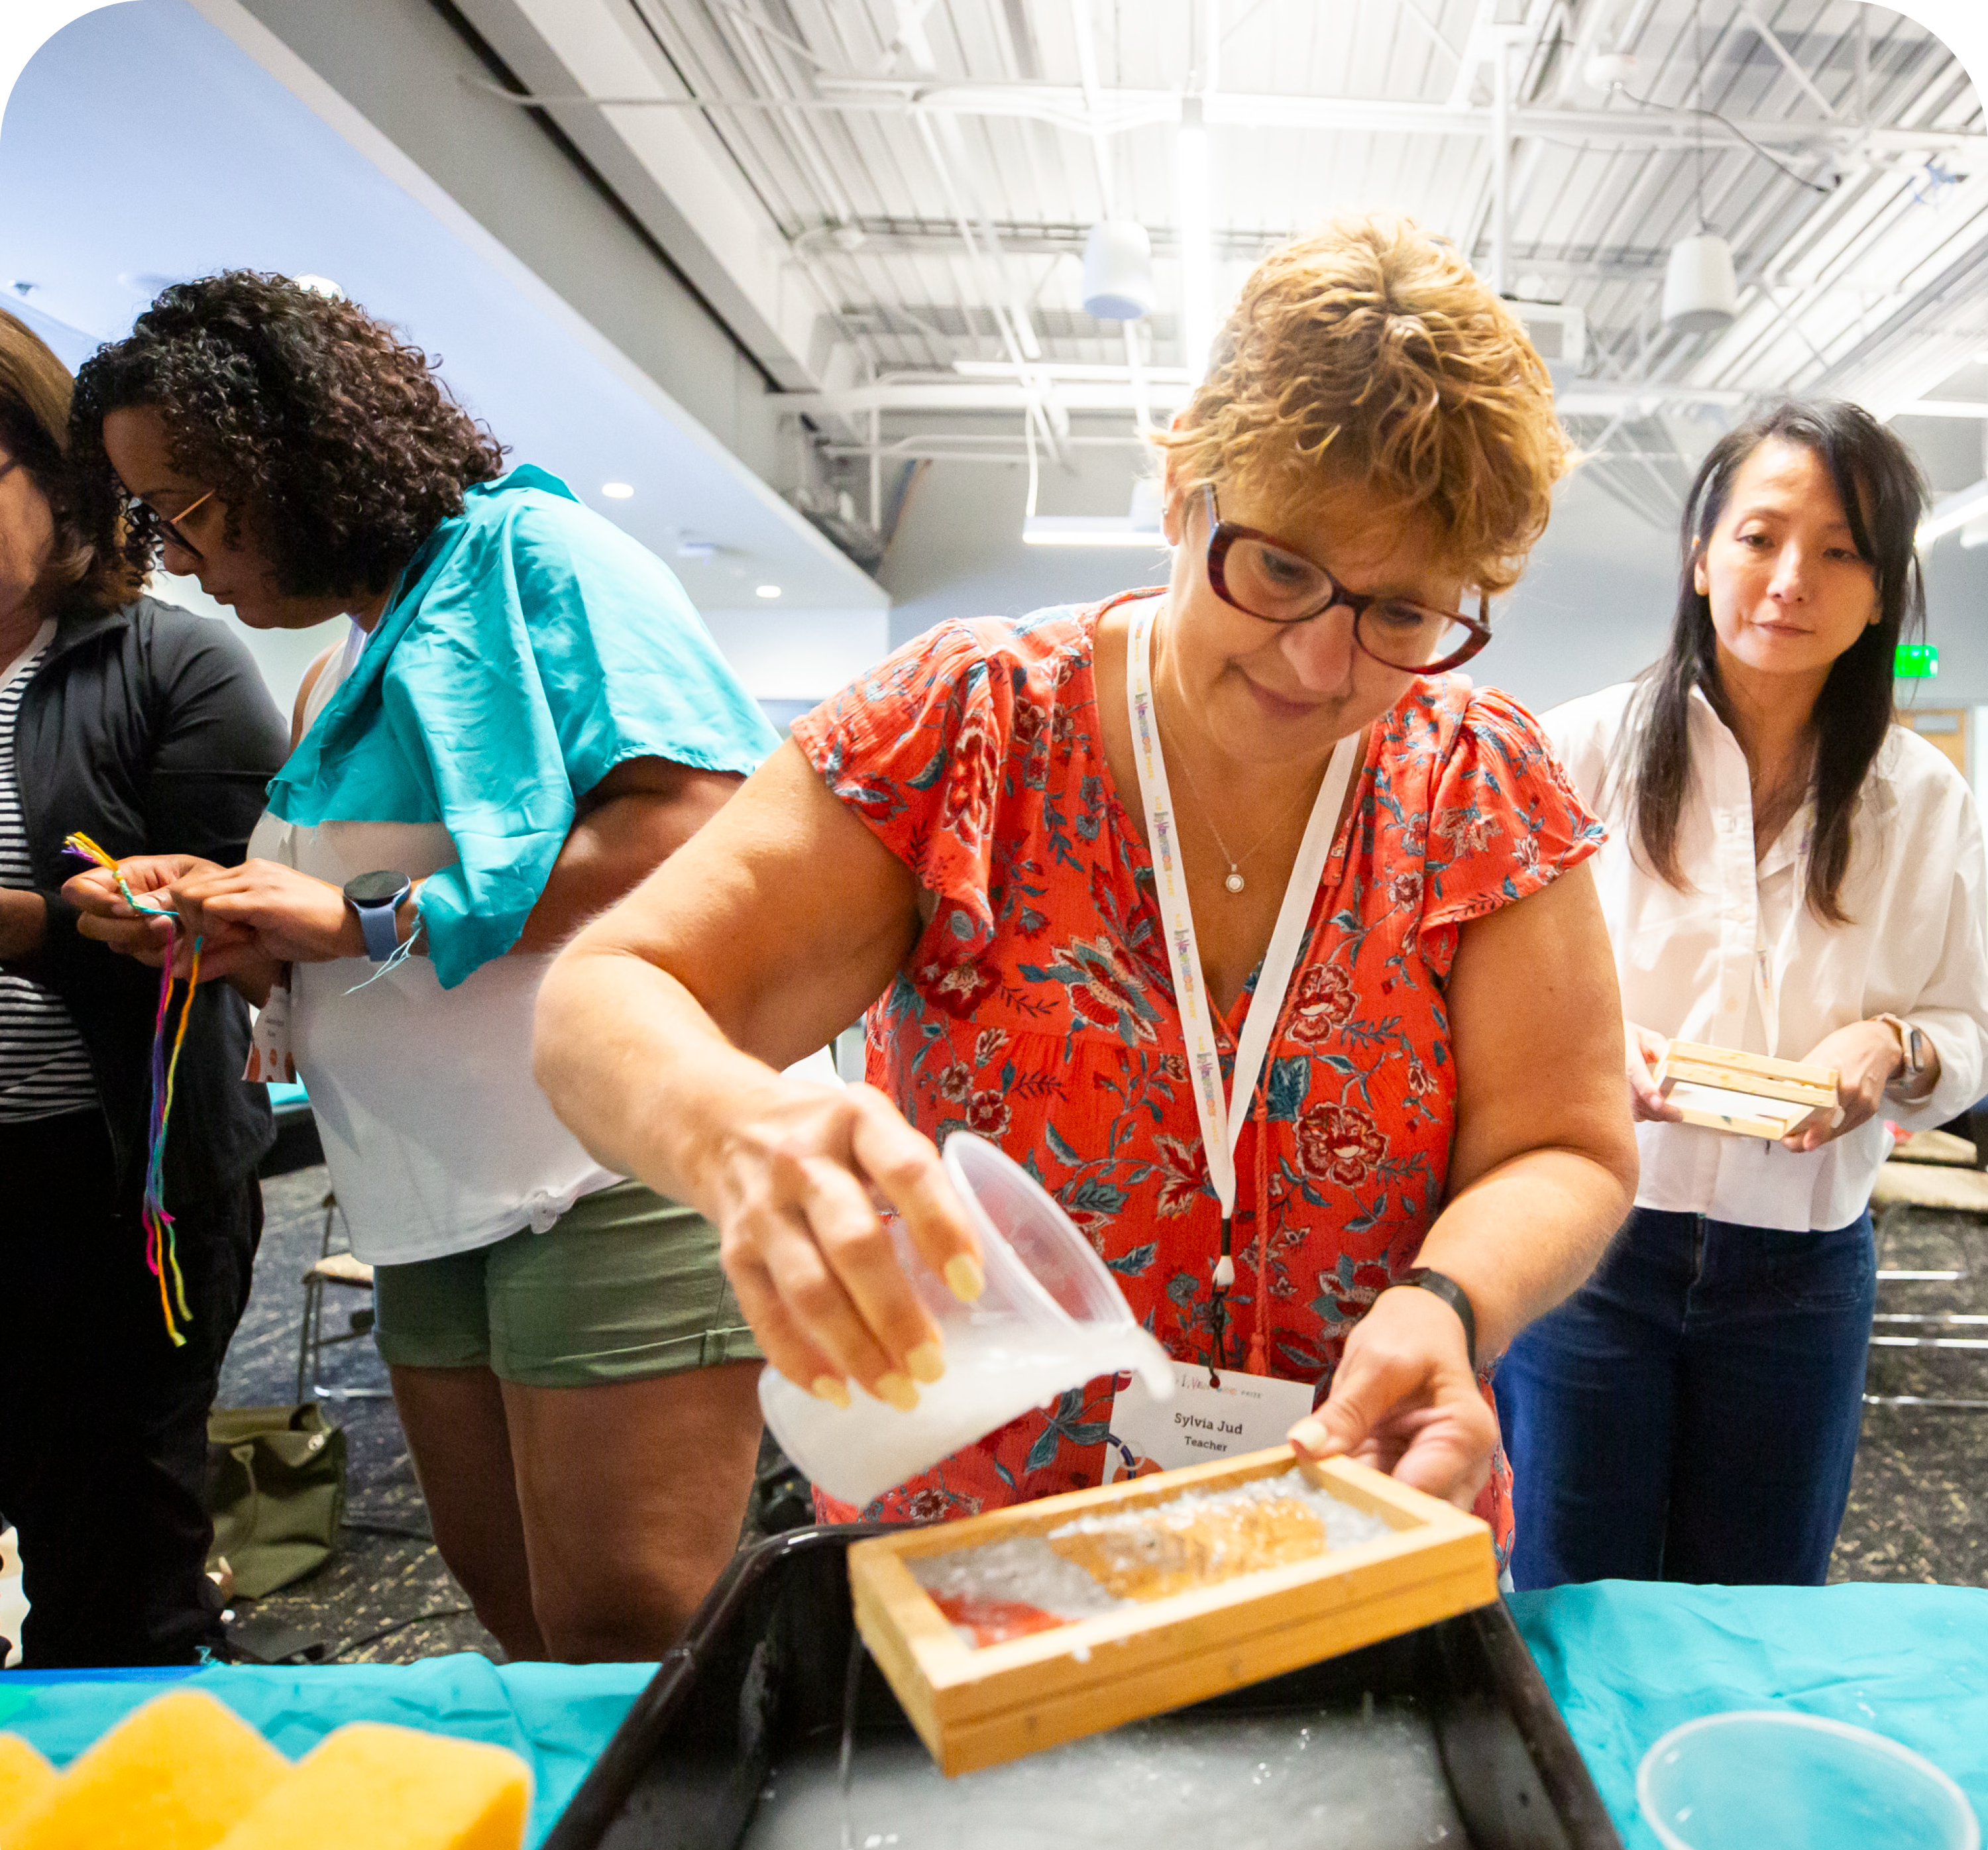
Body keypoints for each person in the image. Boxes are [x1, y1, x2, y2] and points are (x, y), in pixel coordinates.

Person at [533, 215, 1641, 1558]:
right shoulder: (970, 730)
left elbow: (1566, 1142)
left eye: (1401, 616)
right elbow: (607, 996)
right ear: (1181, 485)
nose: (1315, 663)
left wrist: (1451, 1304)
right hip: (984, 1538)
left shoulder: (1480, 786)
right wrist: (725, 1132)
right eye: (1280, 568)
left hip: (1350, 1509)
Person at [64, 272, 779, 1659]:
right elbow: (373, 942)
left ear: (300, 452)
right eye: (149, 521)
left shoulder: (542, 564)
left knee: (626, 1640)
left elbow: (695, 830)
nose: (176, 555)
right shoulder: (348, 670)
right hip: (429, 1202)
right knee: (517, 1613)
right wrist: (238, 935)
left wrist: (368, 921)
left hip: (599, 1180)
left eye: (189, 509)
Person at [1496, 400, 1988, 1589]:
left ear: (1881, 593)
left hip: (1802, 1274)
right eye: (1761, 537)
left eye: (1839, 552)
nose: (1790, 579)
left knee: (1763, 1598)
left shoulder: (1922, 799)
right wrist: (1586, 1057)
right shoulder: (1576, 752)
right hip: (1590, 1247)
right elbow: (1489, 994)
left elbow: (1966, 1023)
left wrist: (1896, 1050)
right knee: (1571, 1588)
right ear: (1701, 557)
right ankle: (1568, 1787)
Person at [0, 308, 289, 1666]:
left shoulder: (172, 662)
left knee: (112, 1583)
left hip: (105, 1187)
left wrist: (43, 924)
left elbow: (239, 932)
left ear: (55, 484)